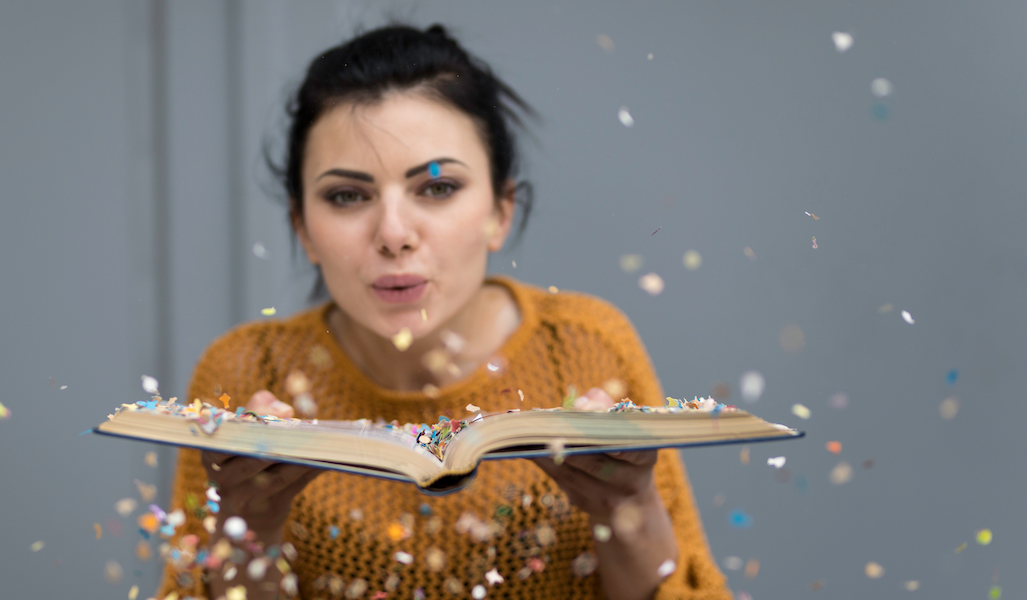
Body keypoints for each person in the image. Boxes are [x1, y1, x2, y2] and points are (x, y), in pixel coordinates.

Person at [156, 23, 731, 600]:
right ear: (303, 227)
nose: (393, 234)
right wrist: (248, 529)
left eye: (437, 188)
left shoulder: (586, 348)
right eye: (348, 196)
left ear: (501, 211)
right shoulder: (245, 373)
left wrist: (628, 504)